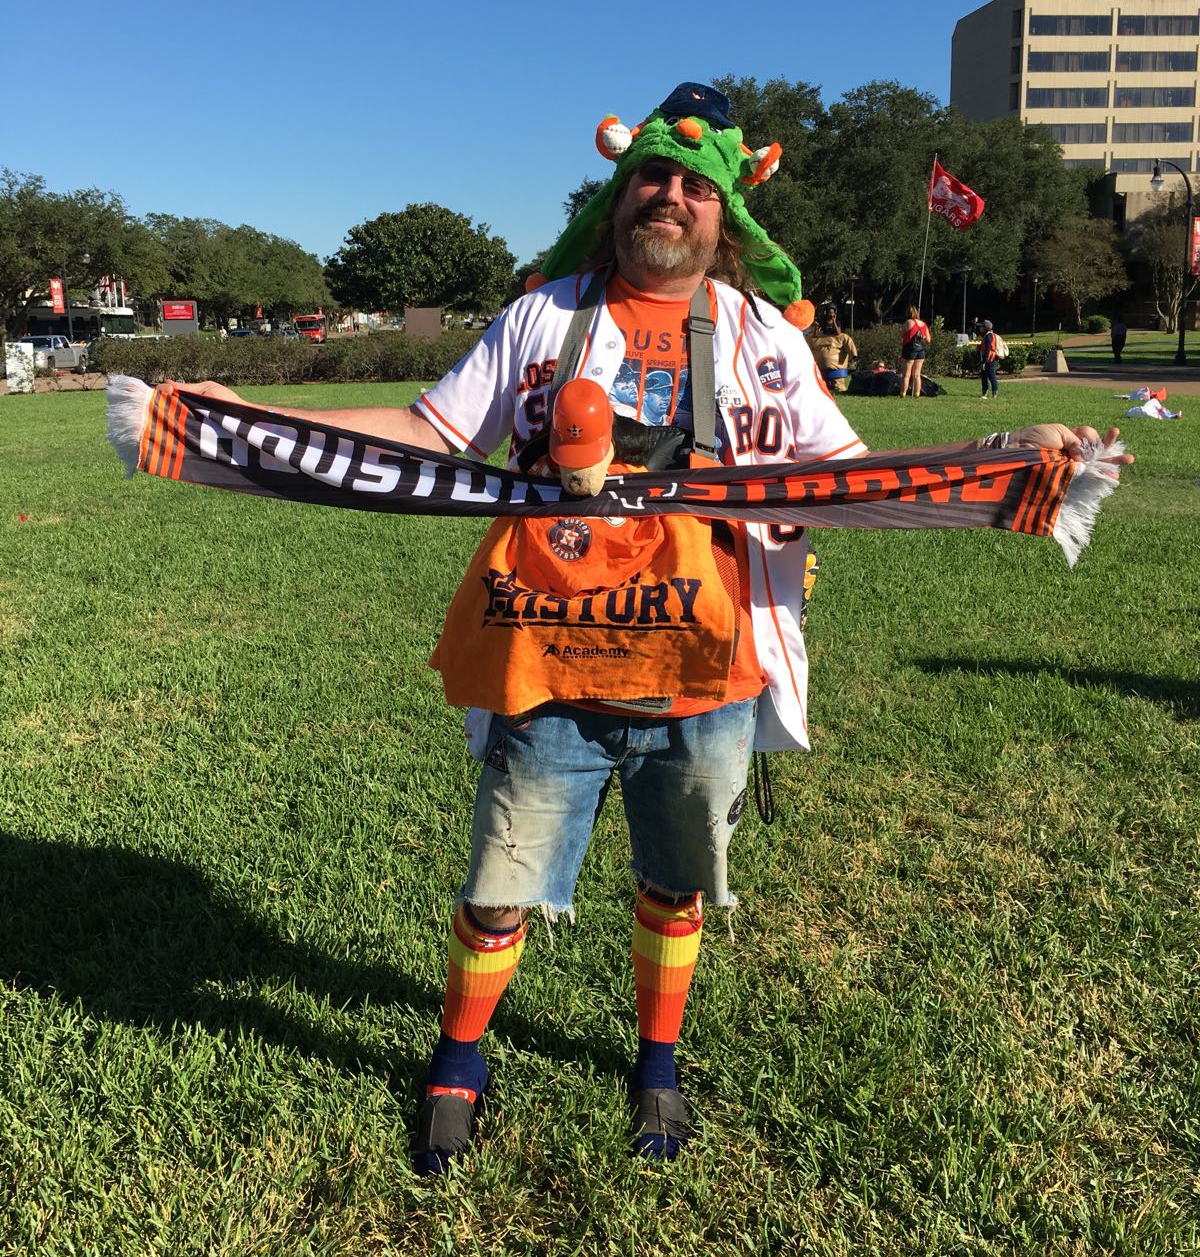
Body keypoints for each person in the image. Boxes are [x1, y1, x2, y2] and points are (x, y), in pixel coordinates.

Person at [181, 81, 1129, 1174]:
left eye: (694, 184)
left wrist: (1009, 447)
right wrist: (246, 419)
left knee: (677, 883)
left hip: (709, 673)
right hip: (551, 660)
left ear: (726, 217)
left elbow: (846, 478)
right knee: (503, 882)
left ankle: (659, 1064)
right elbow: (421, 433)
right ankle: (459, 1058)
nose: (670, 196)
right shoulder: (543, 316)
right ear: (618, 195)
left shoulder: (765, 333)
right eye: (652, 178)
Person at [808, 301, 859, 391]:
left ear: (835, 312)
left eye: (832, 312)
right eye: (828, 312)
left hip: (835, 339)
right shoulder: (822, 321)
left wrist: (834, 321)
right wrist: (816, 327)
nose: (830, 314)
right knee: (810, 339)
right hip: (823, 339)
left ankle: (853, 358)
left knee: (845, 337)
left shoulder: (836, 322)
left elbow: (838, 333)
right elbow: (815, 335)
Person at [899, 305, 932, 398]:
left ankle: (903, 393)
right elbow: (928, 340)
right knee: (917, 374)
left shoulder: (907, 323)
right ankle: (917, 394)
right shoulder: (923, 324)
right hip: (920, 350)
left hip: (909, 350)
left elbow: (903, 338)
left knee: (906, 374)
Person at [980, 320, 1000, 398]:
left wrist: (984, 362)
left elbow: (988, 349)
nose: (980, 328)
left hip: (990, 359)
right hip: (988, 359)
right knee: (984, 376)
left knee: (992, 376)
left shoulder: (988, 336)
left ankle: (994, 392)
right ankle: (985, 392)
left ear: (985, 328)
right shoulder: (988, 335)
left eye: (981, 326)